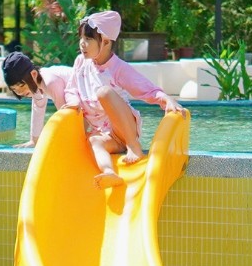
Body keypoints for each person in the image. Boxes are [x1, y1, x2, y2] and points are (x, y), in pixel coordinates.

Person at [63, 10, 185, 188]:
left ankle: (134, 146)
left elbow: (143, 88)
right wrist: (73, 101)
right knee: (94, 141)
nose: (82, 43)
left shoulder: (117, 68)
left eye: (88, 39)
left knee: (104, 92)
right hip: (107, 136)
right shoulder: (80, 63)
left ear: (105, 42)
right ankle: (109, 173)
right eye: (81, 38)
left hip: (124, 128)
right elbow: (71, 88)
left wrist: (165, 98)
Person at [2, 51, 72, 148]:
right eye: (14, 89)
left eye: (21, 85)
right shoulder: (37, 84)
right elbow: (38, 109)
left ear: (34, 74)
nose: (20, 92)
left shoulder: (50, 82)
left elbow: (67, 115)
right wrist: (34, 141)